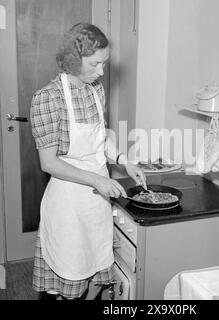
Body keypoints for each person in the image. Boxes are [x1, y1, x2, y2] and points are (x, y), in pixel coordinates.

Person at [30, 22, 146, 300]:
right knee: (70, 282)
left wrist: (123, 160)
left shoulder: (95, 90)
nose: (102, 72)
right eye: (95, 64)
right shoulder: (47, 98)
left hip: (97, 201)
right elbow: (49, 163)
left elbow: (100, 138)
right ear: (72, 59)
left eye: (104, 63)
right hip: (69, 205)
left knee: (96, 277)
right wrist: (98, 180)